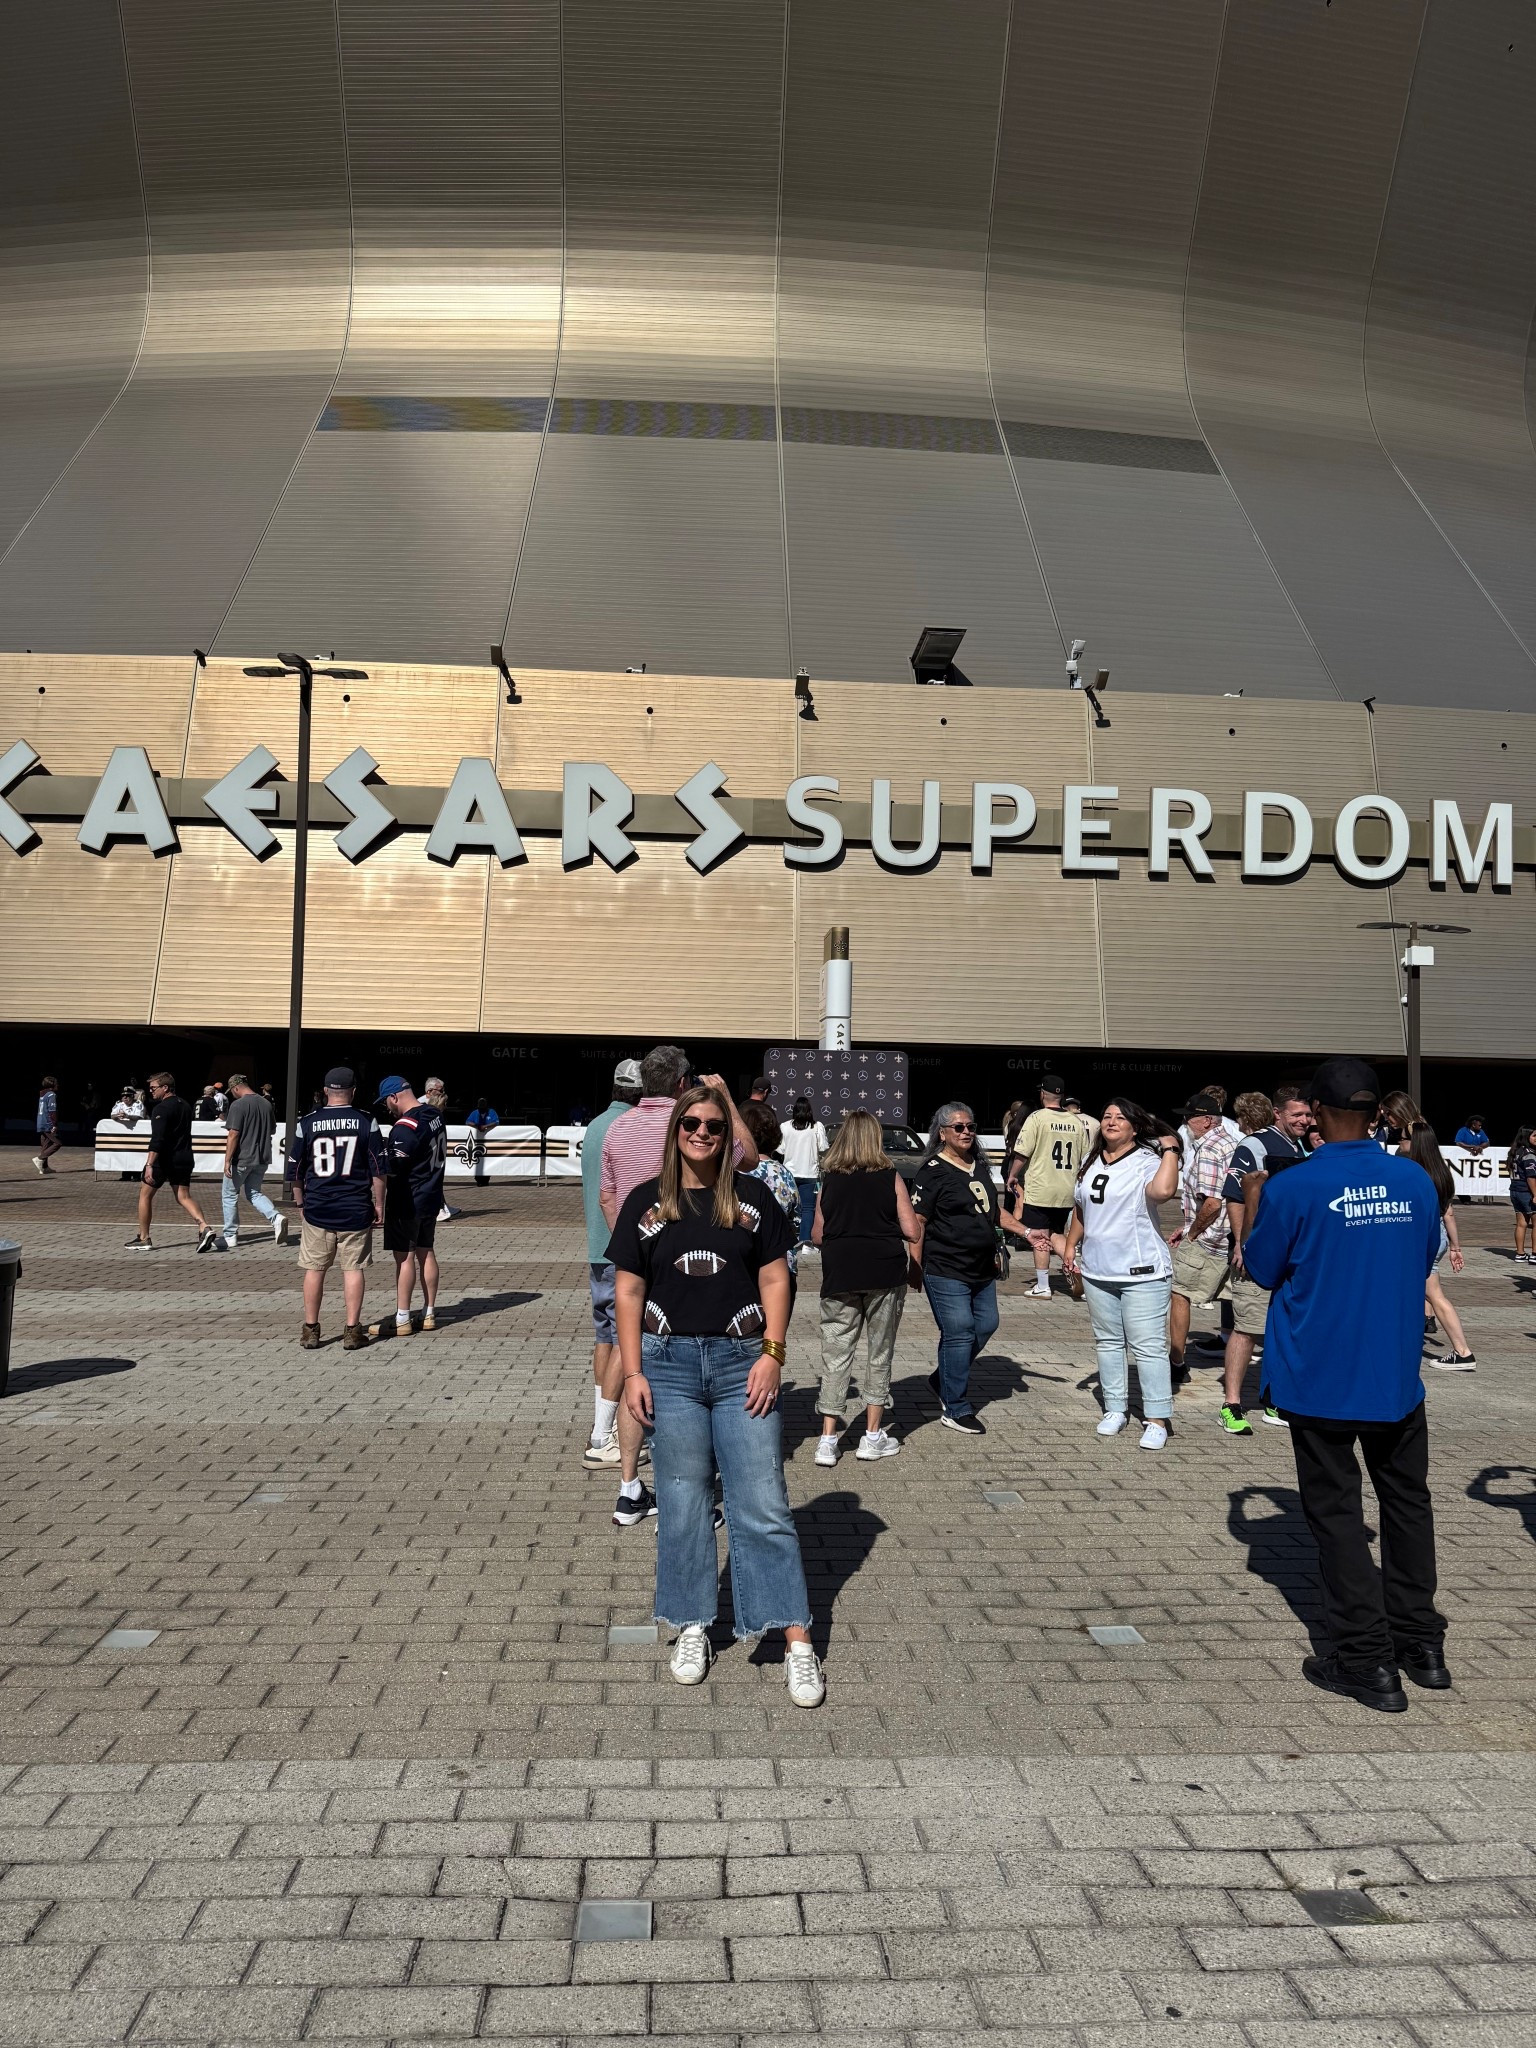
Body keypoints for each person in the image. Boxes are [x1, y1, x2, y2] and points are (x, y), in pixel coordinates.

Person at [1241, 1058, 1447, 1712]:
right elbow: (1422, 1261)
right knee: (1407, 1505)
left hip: (1320, 1374)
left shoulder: (1295, 1185)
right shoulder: (1413, 1180)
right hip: (1393, 1375)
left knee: (1336, 1517)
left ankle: (1365, 1660)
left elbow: (1263, 1268)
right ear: (1376, 1114)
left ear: (1319, 1115)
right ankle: (1421, 1643)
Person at [611, 1083, 823, 1708]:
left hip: (741, 1365)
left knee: (763, 1502)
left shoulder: (754, 1198)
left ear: (727, 1135)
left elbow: (776, 1278)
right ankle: (694, 1624)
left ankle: (797, 1641)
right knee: (682, 1502)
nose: (702, 1134)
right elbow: (627, 1290)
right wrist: (631, 1373)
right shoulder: (646, 1203)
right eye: (691, 1125)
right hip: (669, 1367)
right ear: (675, 1131)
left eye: (712, 1126)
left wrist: (773, 1355)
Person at [601, 1046, 757, 1527]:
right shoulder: (699, 1123)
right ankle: (698, 1489)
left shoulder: (617, 1128)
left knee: (635, 1369)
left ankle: (629, 1487)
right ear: (681, 1082)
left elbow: (609, 1195)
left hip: (636, 1263)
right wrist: (725, 1097)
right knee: (690, 1383)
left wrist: (634, 1249)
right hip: (690, 1268)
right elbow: (748, 1158)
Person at [1063, 1101, 1182, 1449]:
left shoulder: (1147, 1161)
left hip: (1141, 1270)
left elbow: (1163, 1192)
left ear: (1135, 1127)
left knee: (1147, 1347)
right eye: (1107, 1116)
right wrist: (1071, 1245)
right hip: (1098, 1269)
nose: (1111, 1122)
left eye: (1121, 1118)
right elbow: (1082, 1206)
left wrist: (1170, 1147)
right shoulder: (1091, 1159)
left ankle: (1157, 1417)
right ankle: (1115, 1407)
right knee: (1109, 1342)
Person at [812, 1108, 922, 1465]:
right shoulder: (890, 1177)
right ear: (875, 1139)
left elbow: (817, 1234)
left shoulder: (829, 1179)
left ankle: (827, 1441)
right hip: (883, 1272)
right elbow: (912, 1231)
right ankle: (871, 1437)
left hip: (839, 1274)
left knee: (836, 1355)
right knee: (880, 1353)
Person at [912, 1102, 1025, 1436]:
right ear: (942, 1132)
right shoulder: (932, 1170)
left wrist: (1026, 1231)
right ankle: (956, 1406)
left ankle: (942, 1377)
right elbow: (918, 1220)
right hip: (945, 1265)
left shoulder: (978, 1165)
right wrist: (914, 1266)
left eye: (970, 1126)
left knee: (987, 1324)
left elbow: (989, 1212)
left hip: (981, 1265)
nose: (966, 1132)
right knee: (959, 1330)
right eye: (958, 1127)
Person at [1220, 1085, 1312, 1430]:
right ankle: (1231, 1404)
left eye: (1307, 1114)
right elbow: (1235, 1197)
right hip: (1256, 1255)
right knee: (1246, 1327)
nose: (1304, 1120)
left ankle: (1274, 1400)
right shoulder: (1254, 1144)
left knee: (1282, 1327)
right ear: (1278, 1114)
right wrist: (1243, 1244)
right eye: (1296, 1115)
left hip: (1292, 1256)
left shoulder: (1299, 1146)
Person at [290, 1067, 386, 1350]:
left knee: (314, 1269)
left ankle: (310, 1329)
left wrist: (300, 1202)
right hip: (355, 1207)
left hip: (318, 1206)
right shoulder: (366, 1121)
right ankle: (352, 1330)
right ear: (354, 1092)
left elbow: (295, 1169)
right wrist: (379, 1204)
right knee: (353, 1269)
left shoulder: (306, 1122)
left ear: (325, 1091)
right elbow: (378, 1170)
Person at [580, 1057, 644, 1470]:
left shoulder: (595, 1126)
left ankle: (598, 1424)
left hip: (596, 1247)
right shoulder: (632, 1129)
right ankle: (608, 1432)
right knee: (627, 1341)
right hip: (624, 1248)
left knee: (605, 1337)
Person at [1166, 1094, 1237, 1393]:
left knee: (1179, 1292)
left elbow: (1211, 1203)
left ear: (1206, 1120)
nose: (1185, 1122)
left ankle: (1176, 1362)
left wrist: (1192, 1233)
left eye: (1189, 1117)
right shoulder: (1233, 1142)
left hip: (1210, 1239)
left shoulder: (1209, 1149)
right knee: (1235, 1302)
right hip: (1231, 1237)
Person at [375, 1077, 448, 1336]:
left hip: (407, 1198)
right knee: (426, 1251)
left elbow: (393, 1168)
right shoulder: (434, 1114)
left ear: (394, 1097)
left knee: (404, 1257)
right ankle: (429, 1313)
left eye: (386, 1102)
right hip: (431, 1195)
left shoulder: (405, 1126)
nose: (387, 1108)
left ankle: (403, 1317)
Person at [1402, 1123, 1475, 1370]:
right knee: (1425, 1293)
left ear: (1415, 1143)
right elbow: (1449, 1213)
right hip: (1438, 1236)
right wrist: (1455, 1246)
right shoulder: (1440, 1172)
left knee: (1435, 1295)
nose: (1399, 1143)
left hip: (1423, 1238)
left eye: (1403, 1138)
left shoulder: (1416, 1173)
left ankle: (1462, 1351)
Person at [1009, 1075, 1087, 1300]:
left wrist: (1013, 1176)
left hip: (1040, 1187)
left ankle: (1043, 1285)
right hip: (1066, 1188)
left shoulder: (1037, 1118)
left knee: (1040, 1236)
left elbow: (1022, 1152)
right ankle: (1074, 1267)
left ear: (1043, 1093)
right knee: (1055, 1233)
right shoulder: (1076, 1121)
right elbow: (1084, 1156)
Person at [125, 1072, 218, 1253]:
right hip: (185, 1157)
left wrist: (149, 1165)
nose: (150, 1092)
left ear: (165, 1088)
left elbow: (157, 1139)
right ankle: (204, 1227)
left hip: (165, 1159)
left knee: (145, 1195)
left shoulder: (161, 1109)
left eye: (153, 1088)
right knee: (184, 1196)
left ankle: (144, 1238)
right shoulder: (184, 1104)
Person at [740, 1102, 801, 1301]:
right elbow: (795, 1220)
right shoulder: (784, 1174)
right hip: (781, 1266)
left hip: (743, 1266)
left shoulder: (732, 1173)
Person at [220, 1075, 284, 1250]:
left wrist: (227, 1161)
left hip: (243, 1157)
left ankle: (230, 1235)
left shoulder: (238, 1105)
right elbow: (271, 1130)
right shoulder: (266, 1103)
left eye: (232, 1092)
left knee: (229, 1194)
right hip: (262, 1156)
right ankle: (276, 1218)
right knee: (254, 1192)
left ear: (236, 1088)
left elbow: (233, 1134)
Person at [779, 1098, 828, 1249]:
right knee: (808, 1208)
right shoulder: (817, 1126)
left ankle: (784, 1240)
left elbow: (780, 1149)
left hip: (789, 1174)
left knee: (785, 1207)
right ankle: (806, 1242)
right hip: (809, 1174)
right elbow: (823, 1147)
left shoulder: (785, 1126)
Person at [1509, 1125, 1536, 1265]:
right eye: (1534, 1136)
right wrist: (1535, 1194)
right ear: (1526, 1137)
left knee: (1521, 1223)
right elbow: (1531, 1177)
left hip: (1514, 1190)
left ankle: (1520, 1254)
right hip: (1526, 1192)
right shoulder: (1529, 1154)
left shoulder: (1515, 1152)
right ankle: (1534, 1254)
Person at [32, 1075, 61, 1175]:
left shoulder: (42, 1094)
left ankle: (44, 1168)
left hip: (40, 1122)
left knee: (45, 1146)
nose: (58, 1085)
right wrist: (54, 1125)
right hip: (47, 1123)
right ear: (52, 1084)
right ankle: (39, 1159)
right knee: (57, 1143)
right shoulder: (51, 1095)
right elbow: (52, 1111)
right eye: (56, 1083)